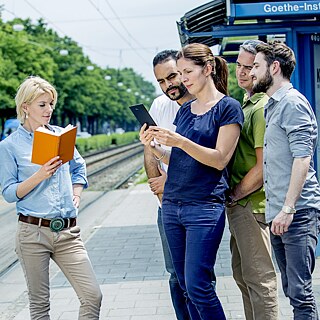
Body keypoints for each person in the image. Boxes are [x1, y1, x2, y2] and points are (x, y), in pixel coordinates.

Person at [140, 43, 244, 319]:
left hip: (204, 208)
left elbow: (220, 159)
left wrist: (180, 141)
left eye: (187, 72)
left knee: (198, 286)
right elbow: (181, 160)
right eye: (181, 73)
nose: (183, 79)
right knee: (185, 284)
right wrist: (156, 147)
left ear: (207, 69)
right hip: (173, 207)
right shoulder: (185, 111)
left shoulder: (228, 108)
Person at [0, 76, 102, 319]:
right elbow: (8, 193)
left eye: (51, 104)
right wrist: (40, 175)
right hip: (32, 233)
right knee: (40, 306)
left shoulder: (60, 136)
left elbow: (79, 168)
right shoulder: (9, 146)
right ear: (26, 107)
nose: (49, 110)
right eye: (42, 104)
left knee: (92, 296)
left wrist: (77, 193)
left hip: (68, 233)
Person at [250, 42, 320, 319]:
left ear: (274, 67)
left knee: (301, 293)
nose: (252, 72)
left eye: (256, 66)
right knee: (292, 288)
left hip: (297, 213)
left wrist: (289, 209)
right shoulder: (273, 106)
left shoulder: (292, 103)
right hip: (278, 213)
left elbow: (303, 158)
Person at [227, 40, 278, 319]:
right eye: (239, 66)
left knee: (260, 281)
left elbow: (262, 166)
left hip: (251, 205)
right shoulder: (246, 105)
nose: (243, 72)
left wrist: (235, 195)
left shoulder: (259, 109)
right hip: (241, 207)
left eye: (251, 67)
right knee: (243, 277)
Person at [144, 50, 193, 319]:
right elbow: (149, 150)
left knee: (197, 277)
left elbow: (200, 160)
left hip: (194, 204)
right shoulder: (159, 106)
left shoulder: (201, 104)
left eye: (172, 76)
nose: (168, 85)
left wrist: (169, 183)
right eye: (161, 81)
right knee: (175, 274)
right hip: (167, 206)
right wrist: (158, 188)